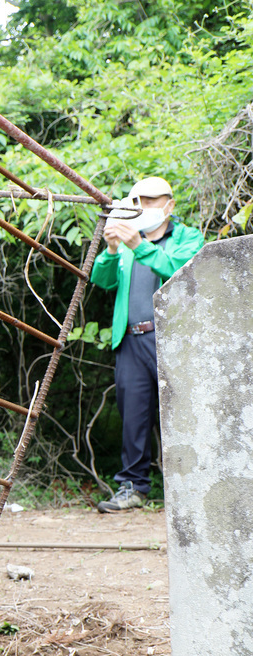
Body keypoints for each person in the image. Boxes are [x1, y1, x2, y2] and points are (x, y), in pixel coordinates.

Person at [90, 176, 203, 513]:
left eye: (152, 201)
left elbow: (180, 271)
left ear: (170, 205)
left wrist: (138, 244)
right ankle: (133, 487)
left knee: (185, 413)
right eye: (138, 201)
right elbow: (102, 280)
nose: (144, 207)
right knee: (133, 417)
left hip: (176, 339)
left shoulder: (188, 237)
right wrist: (113, 249)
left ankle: (193, 490)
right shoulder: (128, 241)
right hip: (131, 339)